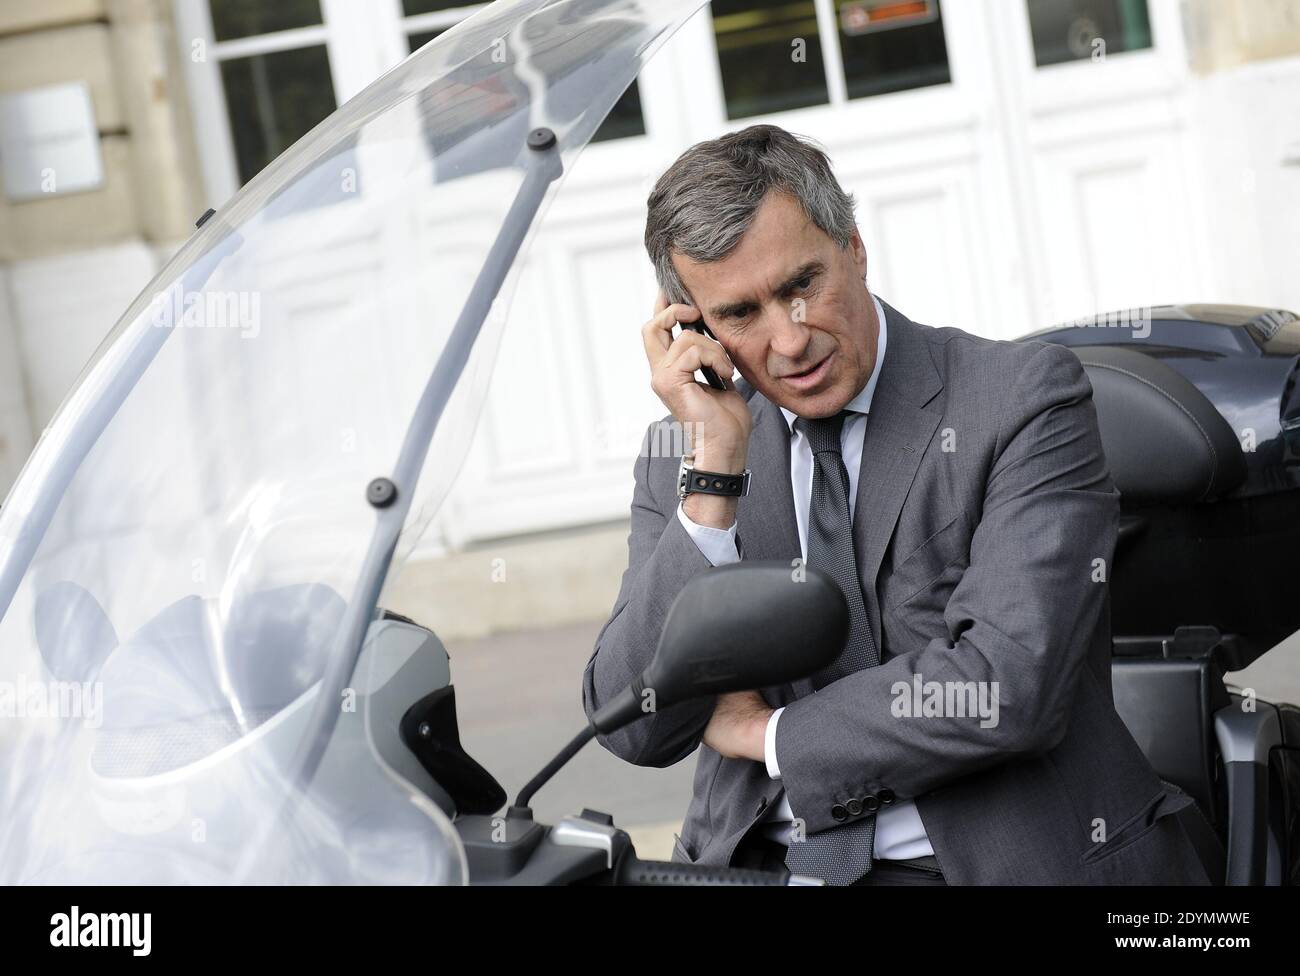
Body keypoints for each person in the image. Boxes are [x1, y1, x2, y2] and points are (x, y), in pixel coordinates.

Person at [581, 124, 1210, 886]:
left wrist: (768, 734)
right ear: (692, 327)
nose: (790, 340)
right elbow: (637, 725)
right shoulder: (684, 453)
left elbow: (1007, 688)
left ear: (854, 245)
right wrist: (714, 475)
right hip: (765, 869)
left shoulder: (1020, 399)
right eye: (741, 314)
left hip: (997, 866)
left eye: (801, 285)